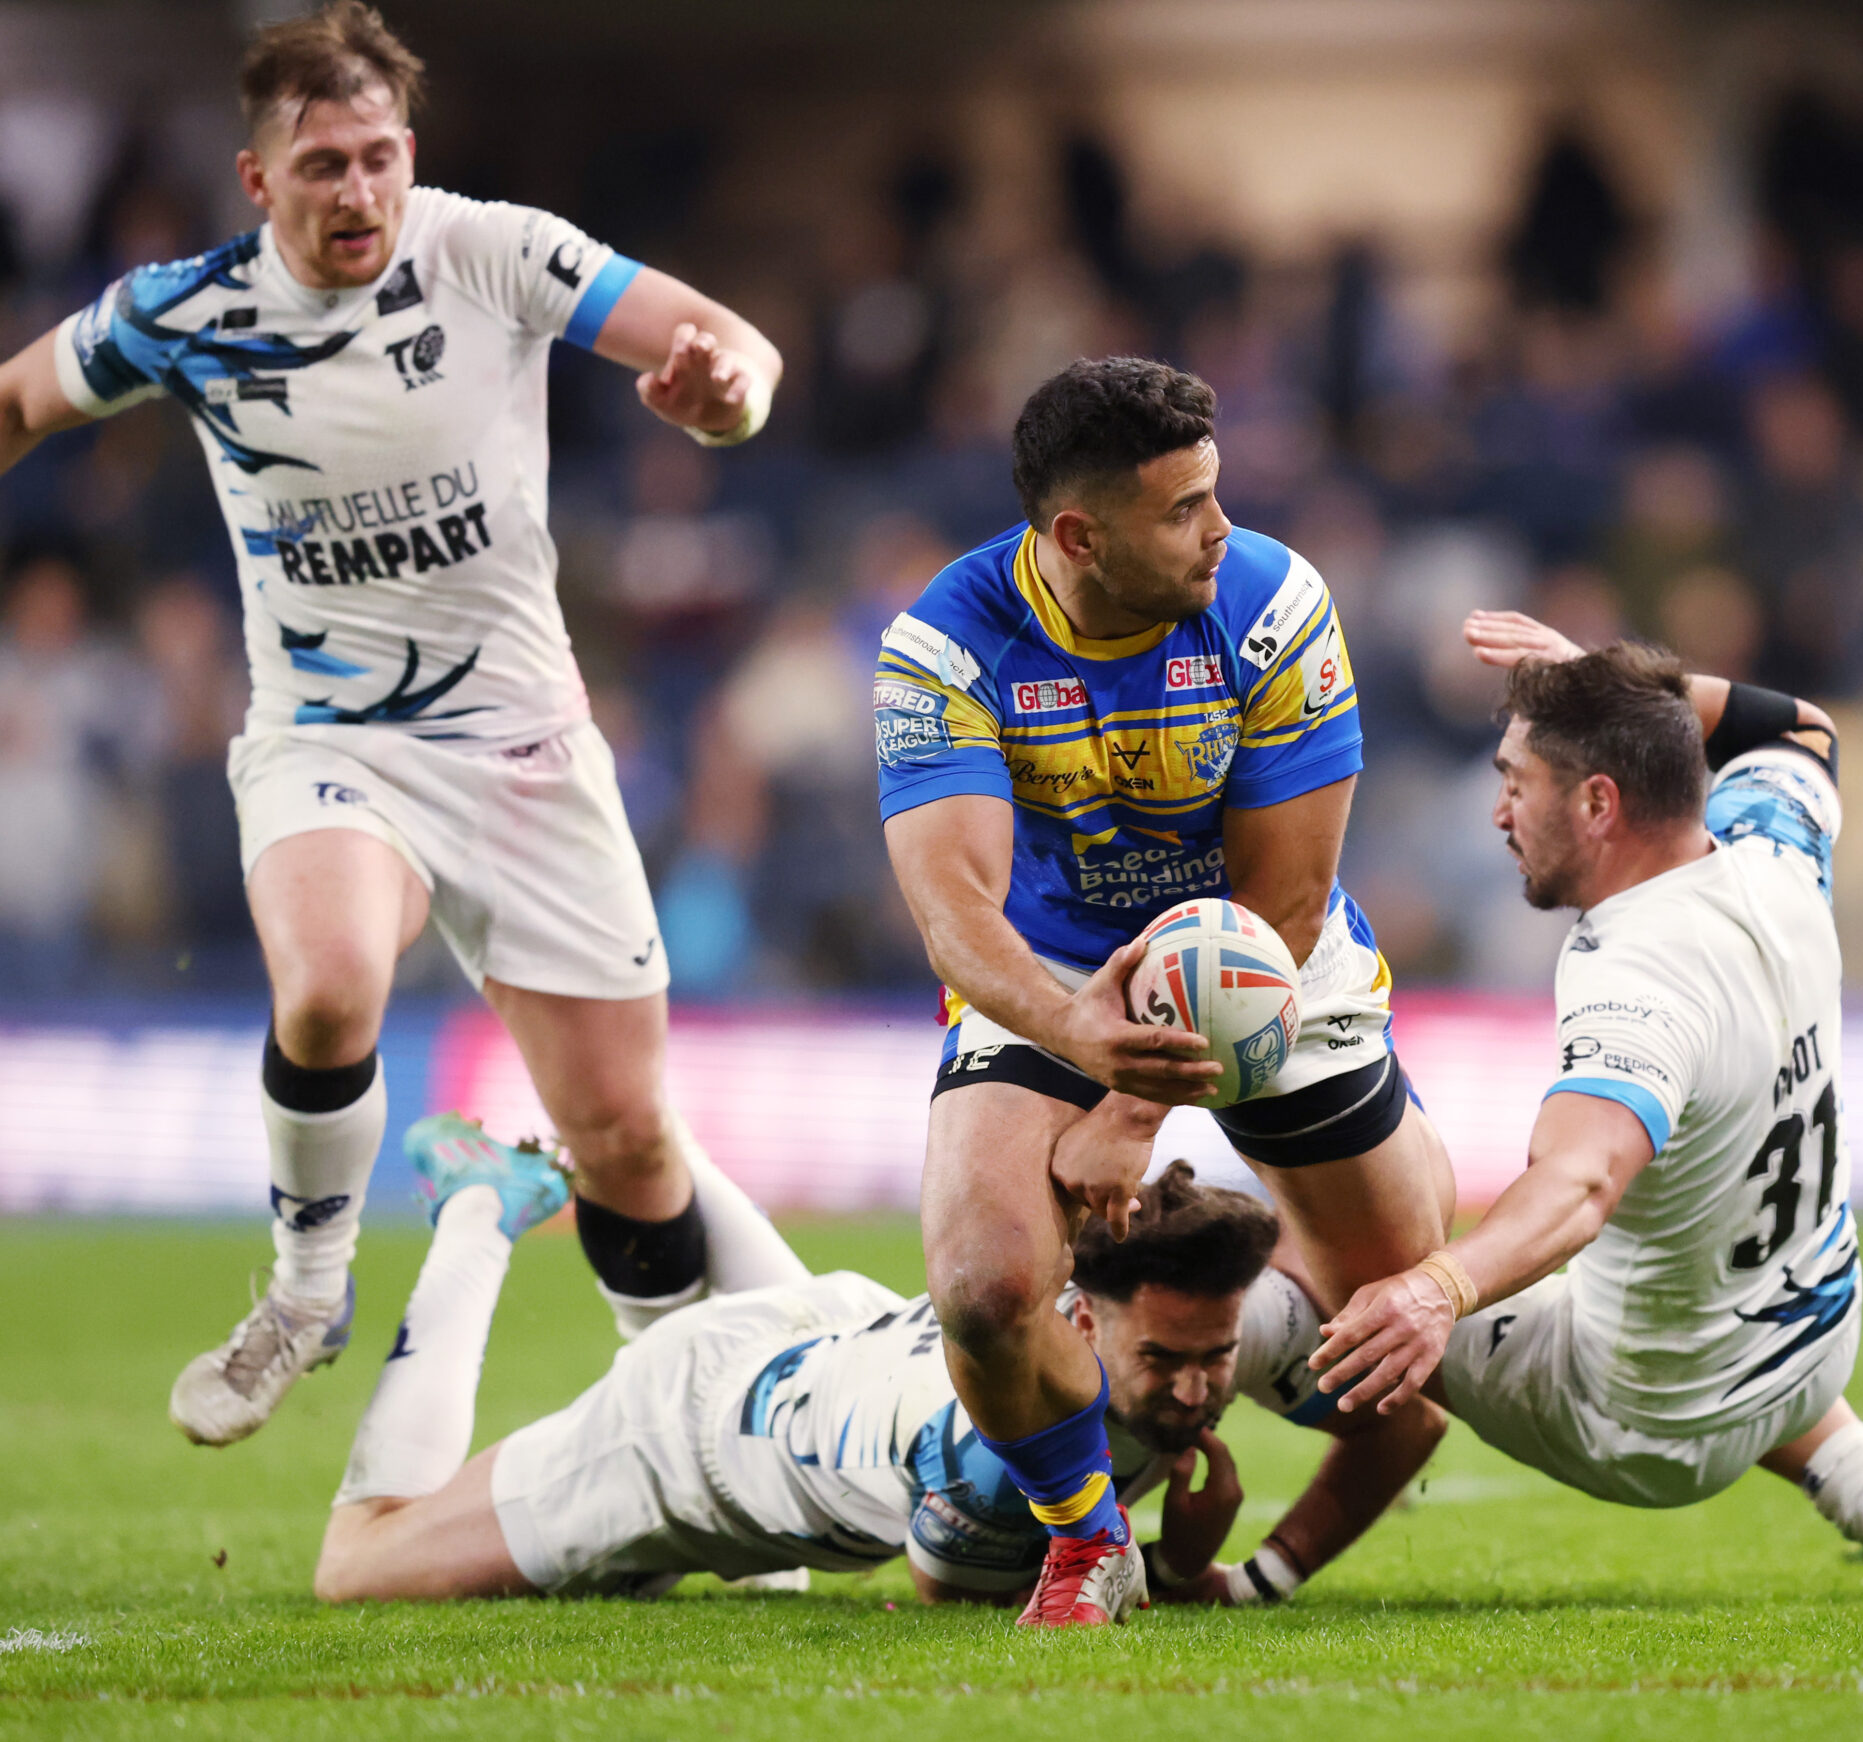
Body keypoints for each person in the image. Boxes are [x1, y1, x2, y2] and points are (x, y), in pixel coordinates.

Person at [0, 2, 806, 1447]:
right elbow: (17, 398)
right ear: (259, 180)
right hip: (331, 740)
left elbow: (731, 350)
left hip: (524, 747)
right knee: (327, 986)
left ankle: (684, 1425)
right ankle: (308, 1289)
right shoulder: (183, 311)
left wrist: (726, 404)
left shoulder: (491, 251)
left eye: (378, 157)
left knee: (626, 1136)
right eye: (323, 165)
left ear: (410, 156)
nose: (358, 189)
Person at [874, 356, 1456, 1625]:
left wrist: (1131, 1109)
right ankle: (1090, 1536)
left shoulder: (1272, 603)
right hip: (1058, 968)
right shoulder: (945, 643)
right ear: (1080, 536)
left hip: (1265, 952)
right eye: (1184, 507)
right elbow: (954, 911)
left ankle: (1227, 1397)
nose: (1221, 527)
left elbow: (1285, 897)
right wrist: (1081, 1033)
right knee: (981, 1289)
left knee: (1396, 1312)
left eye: (1216, 491)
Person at [1307, 614, 1863, 1601]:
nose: (1498, 812)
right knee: (1716, 1302)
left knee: (1326, 1251)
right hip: (1811, 1349)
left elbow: (1582, 1184)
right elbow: (1802, 728)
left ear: (1597, 801)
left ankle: (1226, 1560)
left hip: (1641, 1418)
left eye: (1516, 782)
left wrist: (1435, 1288)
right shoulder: (1776, 848)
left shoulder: (1635, 975)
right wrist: (1614, 689)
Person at [310, 1129, 1444, 1608]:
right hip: (686, 1441)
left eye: (1216, 1358)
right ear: (1079, 1323)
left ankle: (648, 1134)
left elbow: (1410, 1417)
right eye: (1163, 1361)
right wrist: (1178, 1562)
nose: (1198, 1389)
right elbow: (950, 1594)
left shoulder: (1209, 1318)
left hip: (835, 1334)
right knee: (356, 1563)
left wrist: (1258, 1578)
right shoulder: (1003, 1460)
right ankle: (479, 1207)